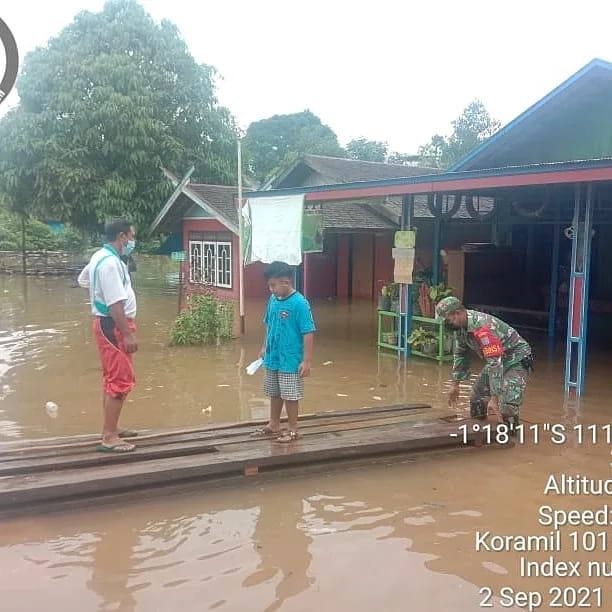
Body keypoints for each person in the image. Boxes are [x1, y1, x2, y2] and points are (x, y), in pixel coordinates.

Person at [78, 219, 138, 452]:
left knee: (111, 377)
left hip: (108, 324)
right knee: (121, 380)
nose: (132, 241)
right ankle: (109, 437)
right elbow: (115, 304)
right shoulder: (110, 264)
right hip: (113, 325)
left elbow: (83, 280)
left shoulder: (99, 257)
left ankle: (112, 427)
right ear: (122, 237)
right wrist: (127, 334)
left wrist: (98, 295)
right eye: (131, 236)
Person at [435, 296, 533, 429]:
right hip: (497, 358)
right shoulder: (460, 328)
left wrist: (494, 398)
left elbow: (495, 363)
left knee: (508, 405)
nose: (447, 324)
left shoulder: (483, 328)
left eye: (448, 320)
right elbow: (460, 354)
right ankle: (478, 429)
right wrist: (455, 384)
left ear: (457, 313)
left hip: (515, 358)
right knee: (477, 397)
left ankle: (510, 437)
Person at [253, 261, 316, 443]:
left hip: (290, 360)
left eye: (273, 285)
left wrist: (307, 361)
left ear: (286, 282)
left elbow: (308, 332)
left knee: (290, 394)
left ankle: (293, 429)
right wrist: (264, 347)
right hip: (273, 357)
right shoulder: (273, 300)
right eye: (269, 285)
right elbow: (269, 325)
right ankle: (273, 424)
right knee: (274, 392)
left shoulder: (300, 303)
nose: (271, 289)